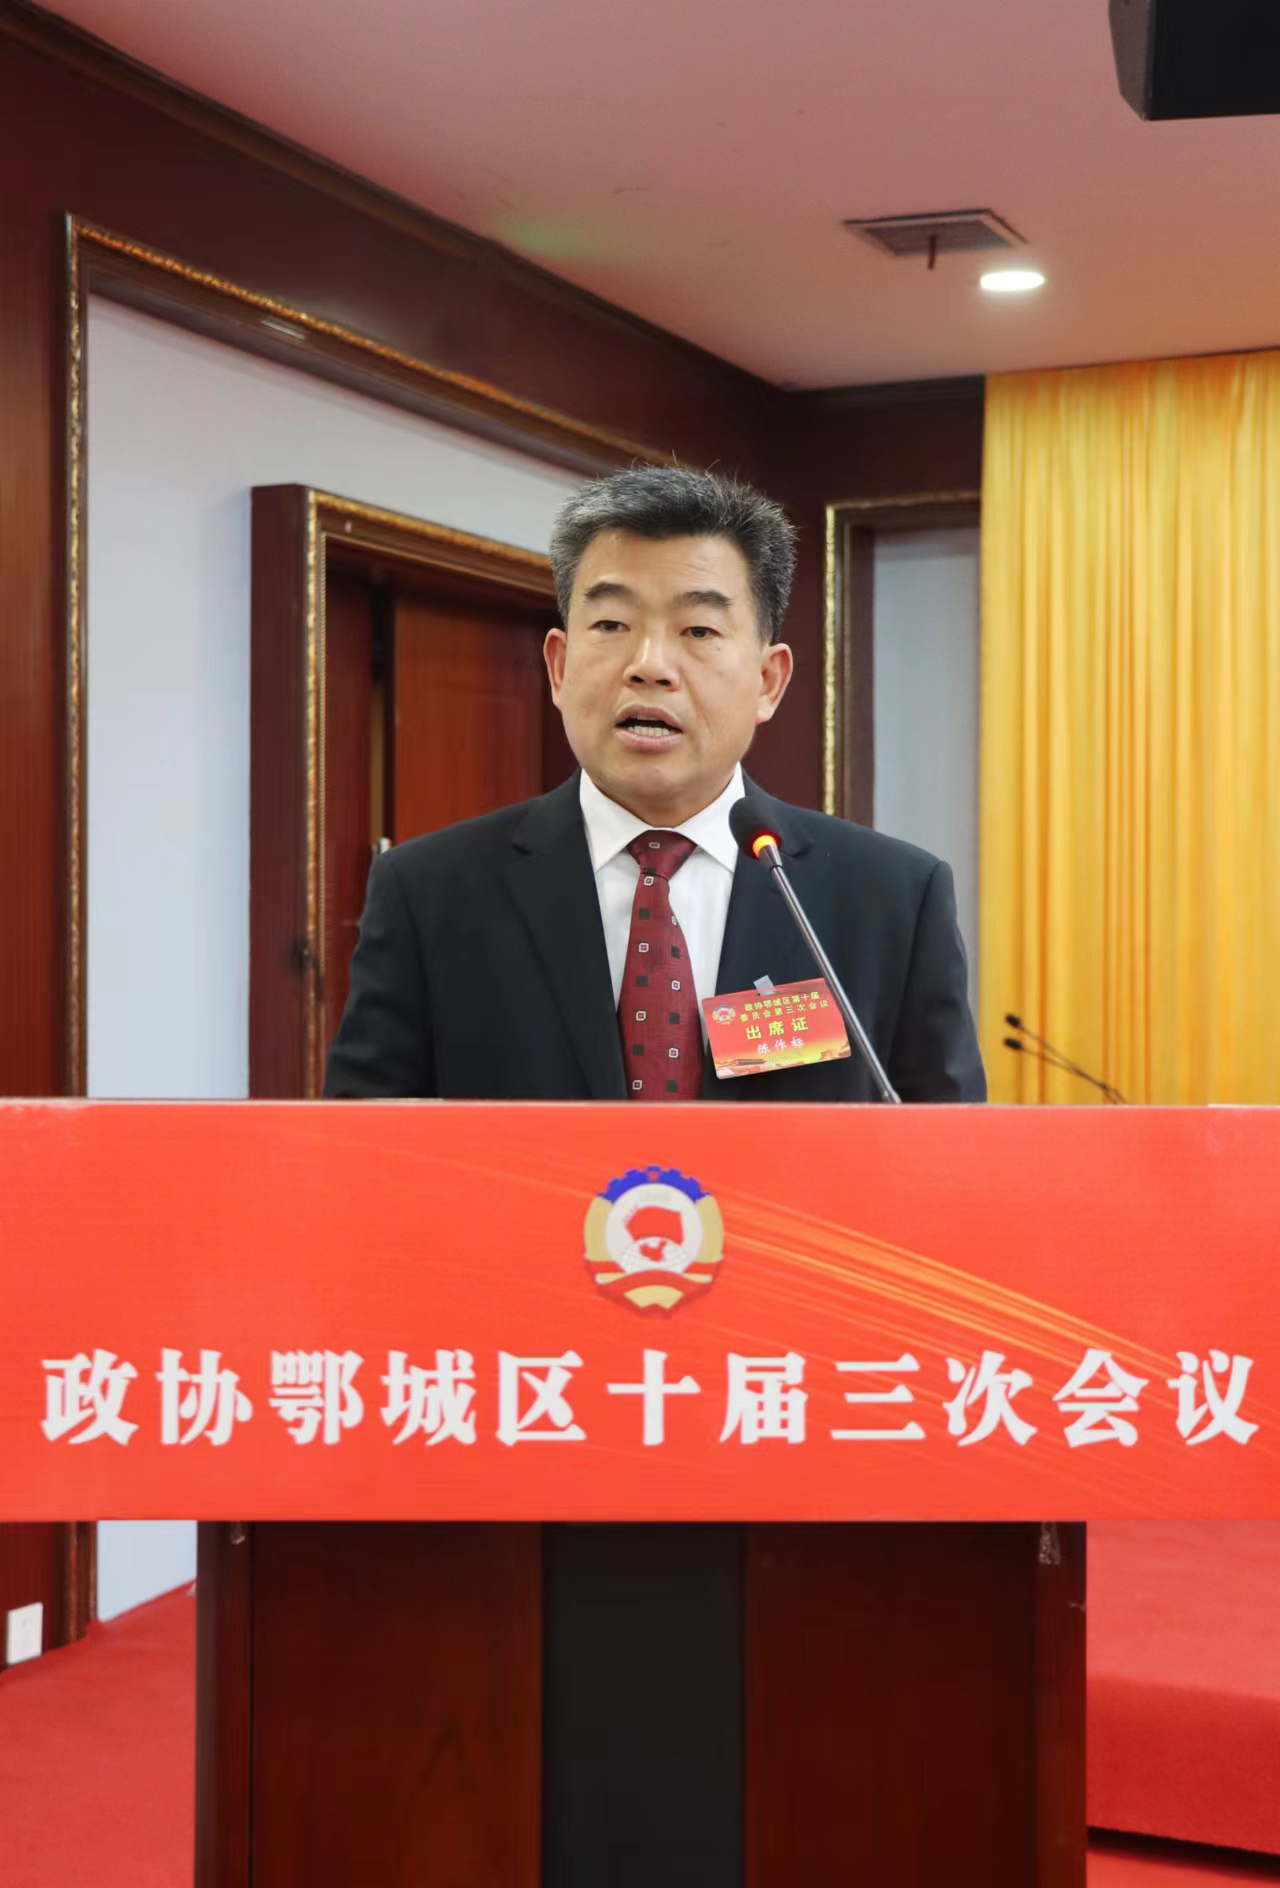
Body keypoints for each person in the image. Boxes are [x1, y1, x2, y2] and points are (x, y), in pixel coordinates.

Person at [323, 464, 984, 1104]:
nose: (649, 666)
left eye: (698, 630)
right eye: (612, 625)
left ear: (768, 681)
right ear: (559, 667)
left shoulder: (891, 899)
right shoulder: (430, 891)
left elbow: (948, 1156)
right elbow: (360, 1149)